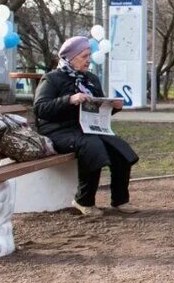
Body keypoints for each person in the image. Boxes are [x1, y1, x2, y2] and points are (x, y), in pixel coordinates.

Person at [34, 36, 140, 218]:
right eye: (84, 56)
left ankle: (120, 199)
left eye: (89, 55)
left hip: (87, 128)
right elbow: (40, 108)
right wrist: (69, 100)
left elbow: (98, 109)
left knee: (121, 150)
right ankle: (84, 201)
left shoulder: (91, 79)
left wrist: (113, 107)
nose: (88, 60)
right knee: (92, 147)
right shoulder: (51, 79)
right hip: (58, 131)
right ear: (70, 57)